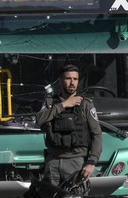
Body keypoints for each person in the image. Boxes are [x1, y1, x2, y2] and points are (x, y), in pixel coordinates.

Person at [35, 64, 102, 195]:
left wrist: (92, 162)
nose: (72, 83)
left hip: (76, 163)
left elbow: (97, 134)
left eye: (75, 79)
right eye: (68, 78)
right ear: (60, 81)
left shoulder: (85, 104)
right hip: (53, 162)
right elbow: (39, 120)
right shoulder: (50, 102)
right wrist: (63, 105)